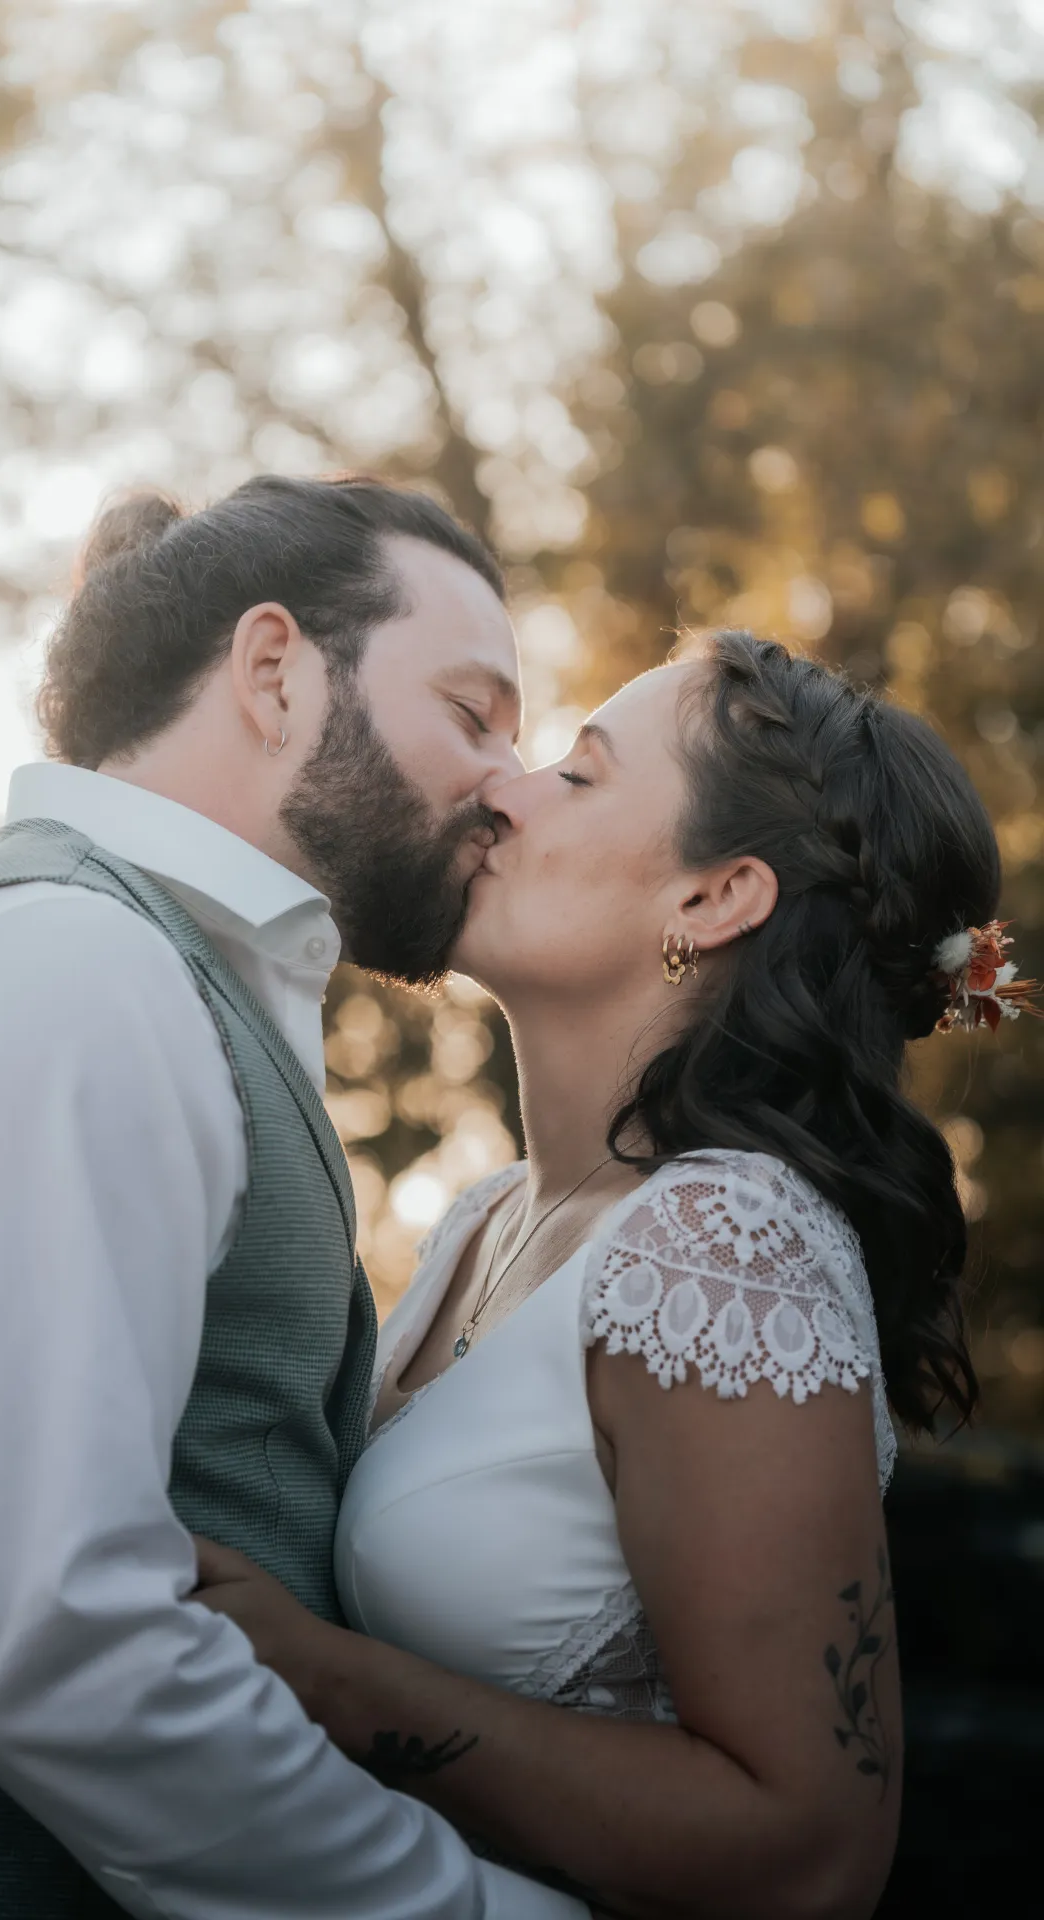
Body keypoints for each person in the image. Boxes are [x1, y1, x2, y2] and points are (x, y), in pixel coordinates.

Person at [0, 476, 588, 1918]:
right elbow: (58, 1646)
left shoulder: (159, 980)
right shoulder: (61, 970)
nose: (507, 782)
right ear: (274, 671)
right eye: (473, 713)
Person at [192, 629, 1025, 1920]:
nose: (503, 788)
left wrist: (327, 1682)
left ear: (712, 899)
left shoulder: (728, 1250)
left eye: (577, 774)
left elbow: (810, 1850)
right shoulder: (485, 1220)